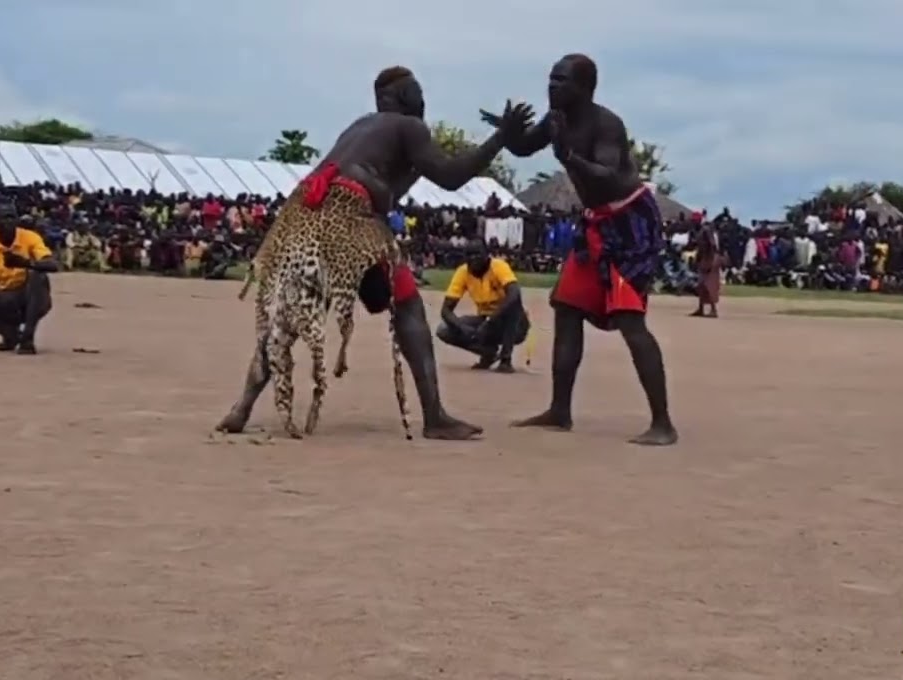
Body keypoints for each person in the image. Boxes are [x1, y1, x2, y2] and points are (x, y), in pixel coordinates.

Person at [214, 65, 532, 440]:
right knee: (409, 304)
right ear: (404, 98)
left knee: (289, 315)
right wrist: (500, 140)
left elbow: (388, 190)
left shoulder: (362, 127)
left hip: (303, 212)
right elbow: (450, 177)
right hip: (348, 215)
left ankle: (242, 406)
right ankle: (434, 416)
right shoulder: (409, 127)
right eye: (419, 94)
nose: (424, 101)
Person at [482, 54, 678, 445]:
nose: (552, 86)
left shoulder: (606, 124)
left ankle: (662, 423)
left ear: (585, 88)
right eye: (551, 79)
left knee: (629, 319)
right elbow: (524, 149)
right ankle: (560, 410)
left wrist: (568, 157)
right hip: (596, 223)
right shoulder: (557, 120)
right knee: (567, 308)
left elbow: (606, 175)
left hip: (628, 225)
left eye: (562, 81)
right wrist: (507, 134)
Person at [0, 203, 60, 354]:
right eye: (4, 218)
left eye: (12, 217)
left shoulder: (30, 237)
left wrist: (26, 263)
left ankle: (28, 337)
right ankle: (12, 336)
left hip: (31, 298)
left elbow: (53, 265)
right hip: (3, 298)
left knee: (38, 275)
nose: (9, 222)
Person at [437, 245, 531, 372]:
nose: (474, 259)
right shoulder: (463, 272)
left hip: (513, 324)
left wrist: (490, 321)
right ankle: (488, 353)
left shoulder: (498, 266)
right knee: (444, 329)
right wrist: (462, 328)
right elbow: (446, 310)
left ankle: (505, 359)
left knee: (513, 306)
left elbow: (514, 294)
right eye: (470, 255)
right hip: (485, 320)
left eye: (478, 254)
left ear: (487, 255)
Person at [691, 226, 723, 318]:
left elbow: (712, 246)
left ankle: (713, 310)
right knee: (701, 286)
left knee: (709, 286)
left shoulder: (706, 232)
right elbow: (700, 250)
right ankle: (701, 308)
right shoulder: (700, 234)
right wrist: (697, 261)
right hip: (705, 260)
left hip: (710, 261)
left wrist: (710, 262)